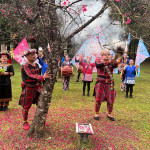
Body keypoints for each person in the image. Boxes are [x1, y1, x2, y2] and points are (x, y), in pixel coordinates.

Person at [19, 49, 50, 130]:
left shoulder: (36, 65)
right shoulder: (25, 66)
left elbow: (38, 74)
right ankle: (25, 122)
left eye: (34, 54)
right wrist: (42, 77)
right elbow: (30, 76)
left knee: (41, 103)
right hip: (29, 88)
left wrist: (42, 80)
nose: (33, 56)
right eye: (31, 55)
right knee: (26, 105)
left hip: (37, 87)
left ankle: (40, 120)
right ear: (26, 56)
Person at [93, 50, 120, 121]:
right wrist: (108, 62)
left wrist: (118, 59)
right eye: (105, 54)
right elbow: (98, 65)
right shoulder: (98, 61)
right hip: (100, 84)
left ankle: (110, 113)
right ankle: (96, 113)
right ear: (102, 56)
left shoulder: (112, 62)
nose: (107, 56)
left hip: (110, 84)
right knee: (98, 99)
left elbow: (116, 65)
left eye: (108, 54)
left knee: (111, 100)